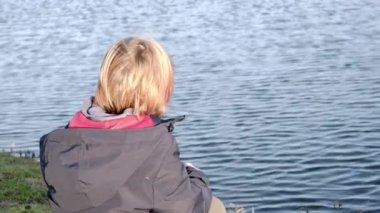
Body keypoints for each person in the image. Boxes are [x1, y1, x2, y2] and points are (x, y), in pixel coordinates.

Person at [39, 36, 226, 213]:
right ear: (157, 89)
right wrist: (196, 175)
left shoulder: (57, 144)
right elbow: (185, 206)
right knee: (214, 206)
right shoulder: (155, 145)